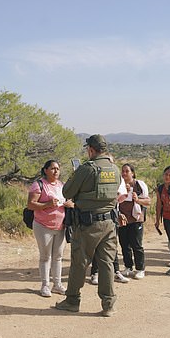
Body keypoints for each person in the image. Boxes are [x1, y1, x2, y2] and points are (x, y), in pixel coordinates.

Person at [55, 135, 123, 317]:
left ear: (91, 149)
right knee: (107, 263)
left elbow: (67, 191)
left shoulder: (87, 169)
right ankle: (108, 304)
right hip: (109, 223)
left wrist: (75, 174)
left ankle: (72, 301)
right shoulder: (115, 169)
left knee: (79, 262)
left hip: (88, 224)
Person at [27, 160, 73, 297]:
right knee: (45, 256)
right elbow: (30, 205)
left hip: (60, 226)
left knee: (58, 257)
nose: (56, 171)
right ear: (45, 170)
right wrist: (47, 204)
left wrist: (68, 204)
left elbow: (66, 201)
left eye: (58, 168)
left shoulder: (61, 185)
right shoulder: (39, 185)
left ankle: (57, 285)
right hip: (43, 225)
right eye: (52, 168)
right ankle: (45, 285)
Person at [117, 163, 151, 280]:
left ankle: (140, 268)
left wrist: (138, 200)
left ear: (133, 173)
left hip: (136, 219)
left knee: (136, 245)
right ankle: (128, 267)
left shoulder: (139, 185)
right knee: (124, 244)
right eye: (123, 171)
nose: (124, 173)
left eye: (127, 171)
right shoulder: (119, 185)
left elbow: (148, 201)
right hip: (122, 219)